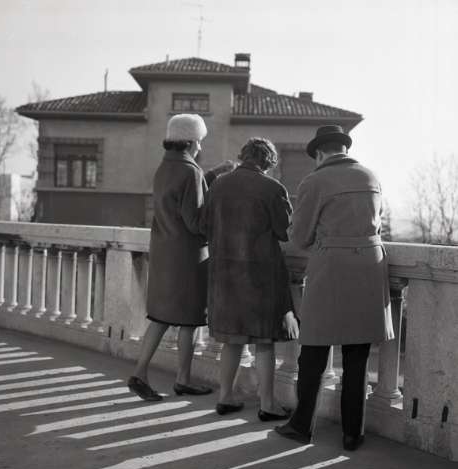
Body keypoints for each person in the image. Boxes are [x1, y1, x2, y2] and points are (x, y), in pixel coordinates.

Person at [275, 125, 394, 450]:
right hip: (370, 266)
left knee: (314, 350)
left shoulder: (314, 181)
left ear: (319, 153)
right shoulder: (371, 177)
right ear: (344, 148)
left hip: (332, 268)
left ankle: (301, 425)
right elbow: (378, 223)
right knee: (357, 355)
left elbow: (300, 238)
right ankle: (353, 433)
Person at [128, 113, 232, 401]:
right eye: (200, 141)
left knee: (161, 317)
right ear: (191, 142)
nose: (201, 146)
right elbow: (195, 221)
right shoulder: (191, 172)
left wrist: (212, 174)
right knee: (190, 320)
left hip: (164, 254)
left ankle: (143, 373)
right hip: (187, 258)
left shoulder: (165, 168)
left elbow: (182, 198)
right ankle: (178, 378)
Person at [200, 137, 300, 420]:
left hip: (224, 274)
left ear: (243, 156)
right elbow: (284, 231)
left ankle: (225, 397)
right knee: (264, 340)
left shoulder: (218, 186)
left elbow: (204, 225)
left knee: (232, 339)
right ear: (268, 161)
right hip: (260, 275)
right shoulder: (272, 188)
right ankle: (267, 404)